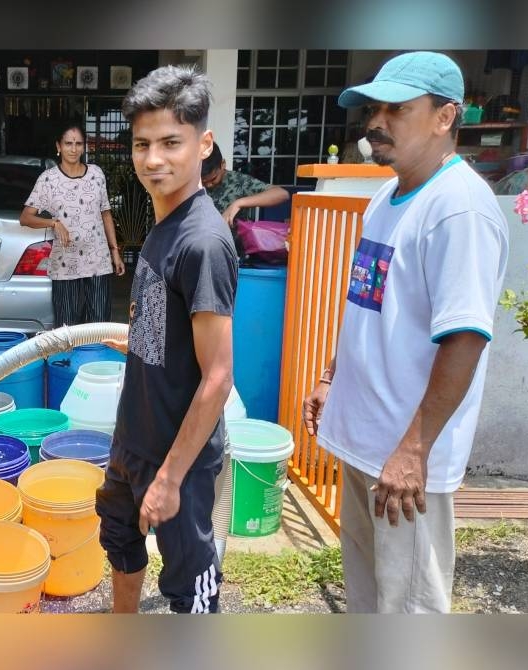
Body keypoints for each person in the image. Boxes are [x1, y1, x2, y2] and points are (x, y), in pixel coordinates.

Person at [301, 51, 509, 613]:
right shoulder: (384, 200)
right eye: (375, 108)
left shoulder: (458, 208)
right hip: (366, 442)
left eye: (398, 108)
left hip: (405, 460)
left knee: (410, 610)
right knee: (370, 599)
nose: (377, 122)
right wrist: (331, 377)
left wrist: (414, 451)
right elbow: (369, 307)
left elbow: (464, 338)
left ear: (445, 118)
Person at [97, 65, 237, 614]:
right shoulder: (163, 224)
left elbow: (218, 377)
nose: (153, 159)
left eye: (171, 143)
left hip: (179, 456)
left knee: (190, 589)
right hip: (135, 436)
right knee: (121, 540)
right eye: (142, 144)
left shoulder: (203, 241)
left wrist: (170, 479)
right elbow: (164, 325)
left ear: (203, 144)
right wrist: (136, 342)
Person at [20, 124, 126, 326]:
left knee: (99, 327)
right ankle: (68, 359)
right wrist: (53, 223)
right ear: (58, 146)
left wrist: (114, 251)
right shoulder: (48, 180)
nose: (73, 148)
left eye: (78, 144)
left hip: (98, 261)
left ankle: (96, 358)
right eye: (68, 143)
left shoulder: (96, 174)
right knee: (67, 328)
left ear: (84, 147)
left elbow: (105, 213)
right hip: (65, 263)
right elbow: (26, 217)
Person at [200, 141, 289, 225]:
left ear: (223, 164)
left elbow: (282, 194)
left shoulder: (238, 181)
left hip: (233, 240)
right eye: (204, 181)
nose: (208, 185)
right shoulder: (193, 182)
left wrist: (239, 203)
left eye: (213, 179)